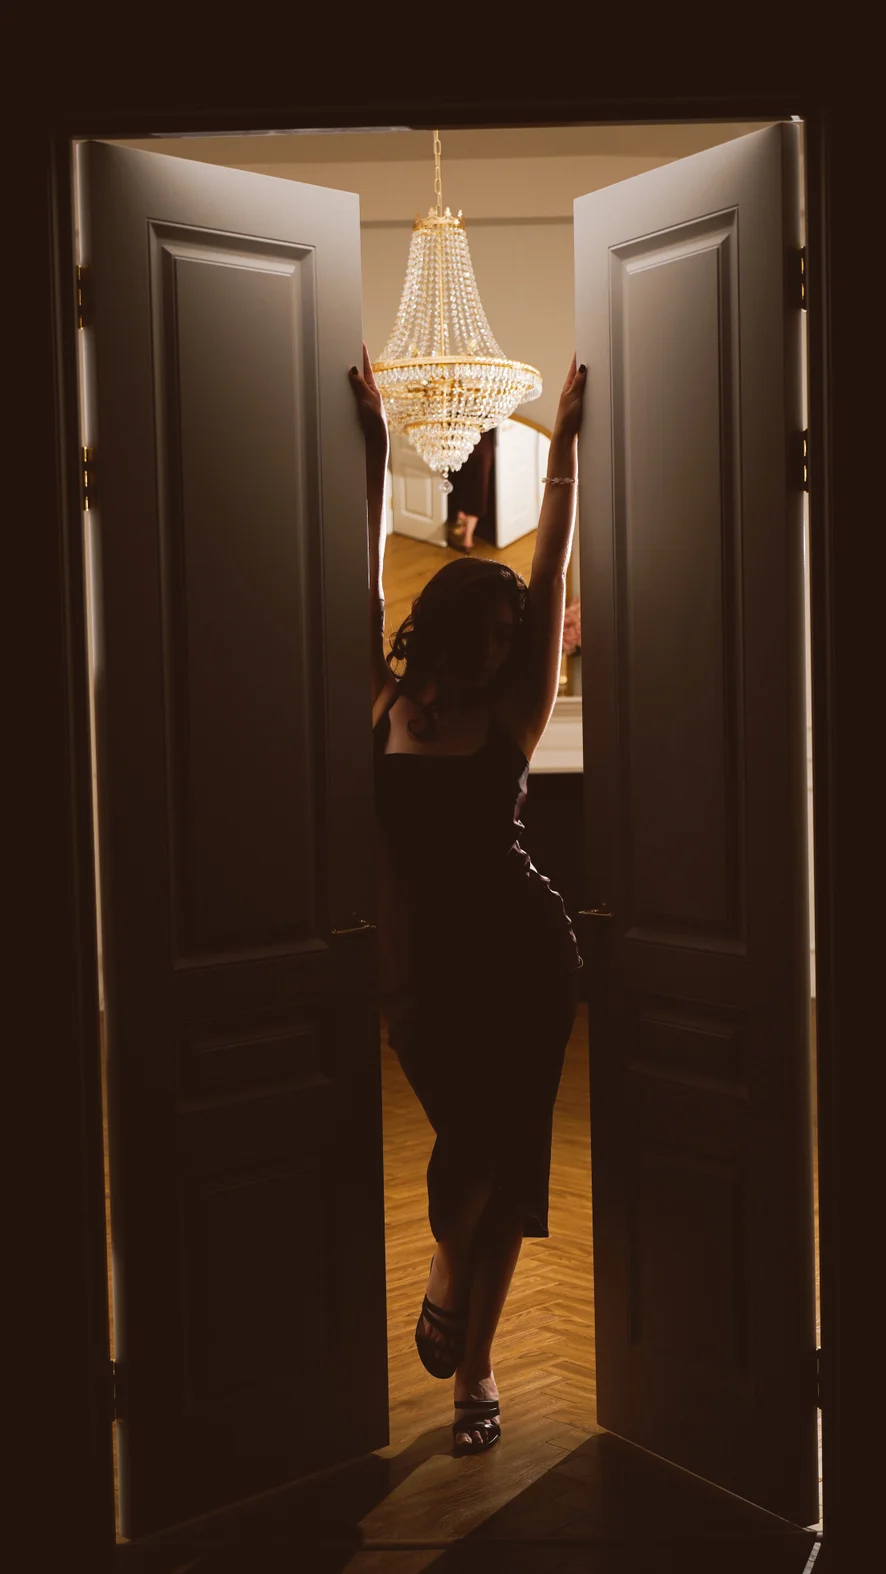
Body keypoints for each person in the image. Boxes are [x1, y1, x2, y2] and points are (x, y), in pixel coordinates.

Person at [349, 344, 587, 1456]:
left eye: (512, 636)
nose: (504, 649)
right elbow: (354, 583)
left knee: (506, 1164)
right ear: (445, 624)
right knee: (472, 1148)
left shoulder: (513, 715)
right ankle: (449, 1266)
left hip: (525, 961)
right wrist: (369, 449)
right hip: (424, 974)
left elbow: (550, 577)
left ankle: (476, 1368)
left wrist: (565, 451)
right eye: (488, 634)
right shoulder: (384, 703)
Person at [445, 427, 495, 552]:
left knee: (462, 486)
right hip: (477, 443)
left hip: (461, 442)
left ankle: (465, 534)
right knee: (478, 490)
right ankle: (467, 537)